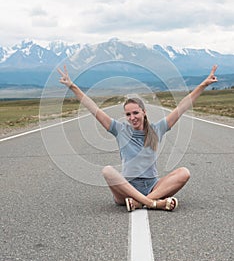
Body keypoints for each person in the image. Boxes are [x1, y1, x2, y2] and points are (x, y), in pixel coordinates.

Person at [58, 64, 218, 212]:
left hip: (153, 186)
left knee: (184, 172)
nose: (132, 117)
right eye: (128, 114)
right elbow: (93, 108)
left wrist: (203, 85)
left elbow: (182, 107)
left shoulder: (157, 129)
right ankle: (153, 203)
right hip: (125, 189)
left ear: (144, 112)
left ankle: (141, 202)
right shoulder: (119, 129)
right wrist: (72, 86)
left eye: (136, 112)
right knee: (107, 170)